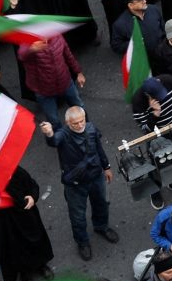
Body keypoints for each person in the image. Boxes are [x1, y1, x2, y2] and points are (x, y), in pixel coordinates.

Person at [38, 106, 119, 261]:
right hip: (75, 183)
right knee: (77, 216)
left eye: (82, 121)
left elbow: (99, 149)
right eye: (75, 123)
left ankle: (101, 226)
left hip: (96, 176)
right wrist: (49, 134)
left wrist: (106, 166)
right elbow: (54, 141)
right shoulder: (63, 134)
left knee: (102, 203)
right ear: (68, 123)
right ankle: (82, 242)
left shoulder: (91, 128)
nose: (80, 125)